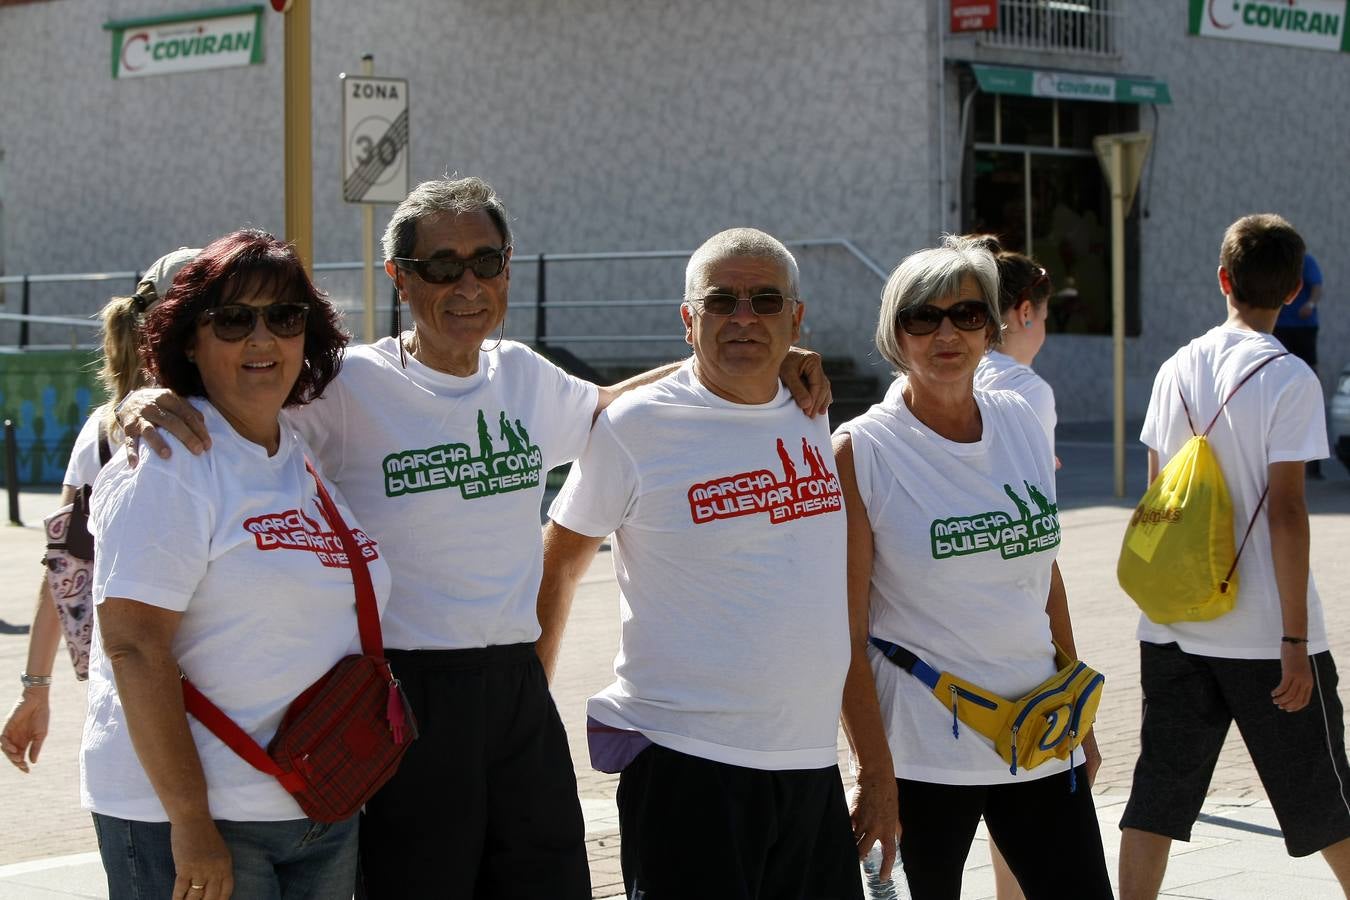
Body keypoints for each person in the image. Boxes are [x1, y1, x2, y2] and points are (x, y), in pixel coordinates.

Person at [117, 177, 831, 898]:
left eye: (486, 263)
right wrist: (151, 398)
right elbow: (243, 408)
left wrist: (770, 360)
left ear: (508, 270)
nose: (467, 284)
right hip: (406, 694)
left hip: (517, 695)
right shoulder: (346, 386)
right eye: (442, 266)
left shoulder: (523, 377)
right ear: (399, 278)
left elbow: (622, 404)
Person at [539, 227, 861, 899]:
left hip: (807, 765)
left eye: (765, 300)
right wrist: (530, 712)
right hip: (688, 766)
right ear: (689, 319)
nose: (744, 317)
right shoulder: (635, 427)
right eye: (722, 301)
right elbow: (560, 561)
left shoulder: (812, 409)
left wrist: (874, 771)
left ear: (795, 318)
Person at [82, 230, 385, 899]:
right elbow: (133, 646)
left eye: (283, 317)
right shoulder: (171, 461)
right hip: (199, 817)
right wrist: (189, 822)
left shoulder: (297, 452)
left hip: (315, 804)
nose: (261, 339)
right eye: (232, 319)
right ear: (189, 339)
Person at [836, 235, 1111, 899]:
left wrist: (1080, 715)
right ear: (894, 333)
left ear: (991, 327)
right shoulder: (862, 451)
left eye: (965, 314)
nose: (946, 333)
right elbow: (842, 629)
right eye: (922, 316)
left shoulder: (1020, 418)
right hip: (925, 751)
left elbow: (1043, 573)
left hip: (1040, 731)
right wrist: (874, 771)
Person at [1117, 215, 1350, 898]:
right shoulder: (1290, 379)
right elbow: (1286, 510)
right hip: (1263, 634)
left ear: (1224, 279)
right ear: (1295, 294)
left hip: (1174, 625)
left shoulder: (1178, 367)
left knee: (1157, 795)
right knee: (1325, 798)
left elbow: (1164, 499)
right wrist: (1294, 640)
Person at [1, 247, 197, 774]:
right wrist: (35, 690)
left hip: (149, 714)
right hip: (151, 716)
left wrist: (35, 690)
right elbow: (65, 566)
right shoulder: (111, 431)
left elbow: (63, 568)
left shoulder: (269, 422)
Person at [1272, 251, 1326, 477]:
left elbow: (1316, 286)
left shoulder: (1305, 260)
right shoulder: (1275, 261)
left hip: (1303, 327)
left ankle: (1313, 466)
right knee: (1278, 378)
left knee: (1309, 378)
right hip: (1281, 327)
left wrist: (1310, 304)